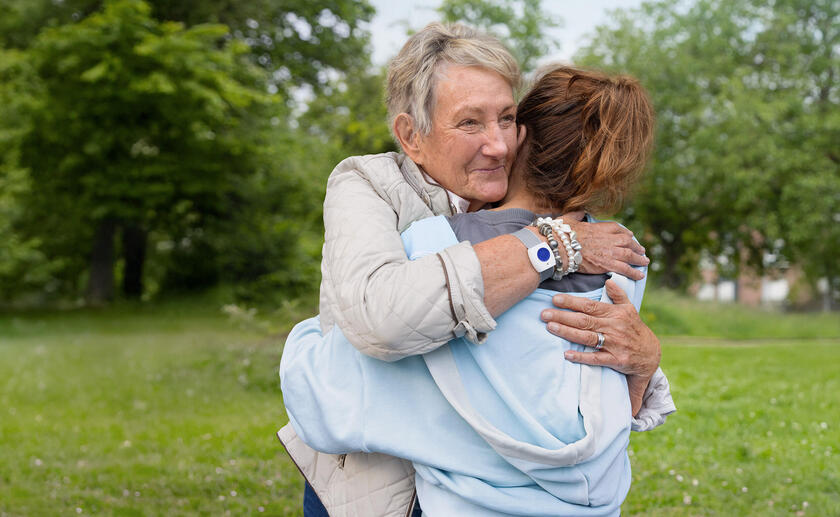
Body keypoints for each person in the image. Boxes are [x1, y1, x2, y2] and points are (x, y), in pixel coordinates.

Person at [277, 23, 671, 517]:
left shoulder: (577, 232)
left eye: (507, 119)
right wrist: (556, 245)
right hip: (379, 489)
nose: (499, 145)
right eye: (470, 123)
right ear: (410, 136)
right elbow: (384, 316)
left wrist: (645, 362)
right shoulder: (368, 185)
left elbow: (559, 372)